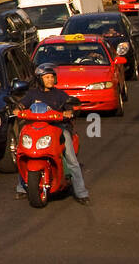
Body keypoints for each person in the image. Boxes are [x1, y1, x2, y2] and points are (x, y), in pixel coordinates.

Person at [14, 63, 89, 205]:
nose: (50, 80)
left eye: (52, 77)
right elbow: (22, 104)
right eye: (47, 77)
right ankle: (22, 188)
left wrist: (70, 111)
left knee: (71, 159)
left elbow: (70, 105)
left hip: (58, 128)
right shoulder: (32, 94)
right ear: (39, 79)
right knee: (23, 152)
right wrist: (18, 109)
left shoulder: (59, 94)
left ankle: (81, 192)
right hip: (35, 128)